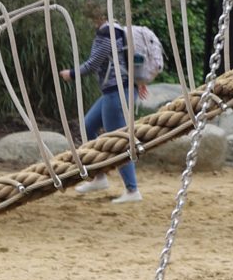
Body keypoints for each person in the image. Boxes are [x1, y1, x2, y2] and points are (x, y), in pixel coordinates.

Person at [62, 11, 161, 206]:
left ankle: (132, 189)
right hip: (116, 91)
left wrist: (71, 74)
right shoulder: (116, 31)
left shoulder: (108, 33)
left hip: (118, 93)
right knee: (88, 126)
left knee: (117, 141)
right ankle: (100, 178)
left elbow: (94, 63)